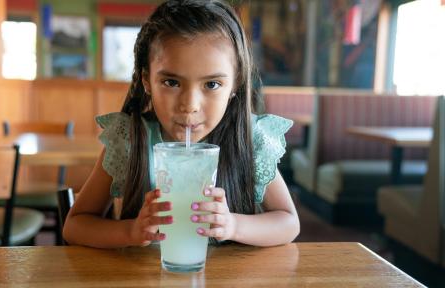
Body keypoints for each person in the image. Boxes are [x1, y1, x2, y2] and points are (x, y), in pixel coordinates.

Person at [63, 0, 299, 248]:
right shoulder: (129, 140)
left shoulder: (249, 141)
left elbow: (289, 223)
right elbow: (75, 225)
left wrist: (233, 225)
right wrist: (131, 231)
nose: (190, 105)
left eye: (211, 84)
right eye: (171, 82)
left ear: (235, 85)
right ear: (146, 80)